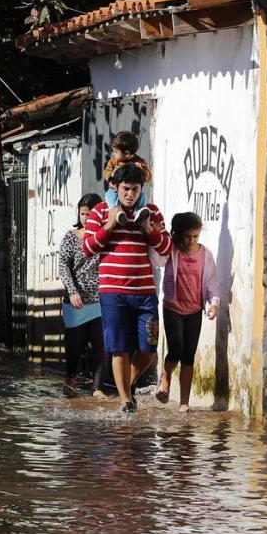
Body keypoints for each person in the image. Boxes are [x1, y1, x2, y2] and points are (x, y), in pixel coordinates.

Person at [83, 163, 172, 413]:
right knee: (119, 348)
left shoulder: (151, 212)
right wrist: (109, 226)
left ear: (141, 188)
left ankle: (126, 385)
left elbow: (167, 249)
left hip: (145, 293)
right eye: (125, 189)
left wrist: (148, 229)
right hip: (112, 292)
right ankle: (125, 400)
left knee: (149, 349)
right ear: (115, 187)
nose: (129, 194)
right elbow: (87, 249)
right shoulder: (101, 212)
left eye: (134, 189)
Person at [154, 212, 220, 413]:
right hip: (173, 308)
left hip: (194, 311)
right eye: (187, 236)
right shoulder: (172, 251)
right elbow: (156, 259)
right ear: (178, 235)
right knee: (175, 349)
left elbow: (211, 283)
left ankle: (184, 402)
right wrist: (158, 236)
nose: (191, 241)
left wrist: (214, 304)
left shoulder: (205, 255)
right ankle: (165, 378)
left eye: (195, 236)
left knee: (188, 356)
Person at [58, 193, 109, 397]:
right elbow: (63, 266)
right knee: (74, 345)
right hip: (76, 300)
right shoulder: (71, 237)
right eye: (83, 214)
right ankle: (71, 379)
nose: (86, 218)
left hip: (101, 299)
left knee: (100, 345)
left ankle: (97, 388)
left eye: (90, 214)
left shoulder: (106, 236)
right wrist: (72, 291)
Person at [102, 131, 153, 226]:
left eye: (116, 152)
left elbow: (148, 177)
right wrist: (112, 174)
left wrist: (141, 170)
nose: (113, 154)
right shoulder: (114, 162)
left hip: (134, 194)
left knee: (142, 197)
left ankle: (138, 212)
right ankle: (118, 212)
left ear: (127, 153)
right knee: (109, 195)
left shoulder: (140, 162)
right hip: (115, 190)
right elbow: (106, 173)